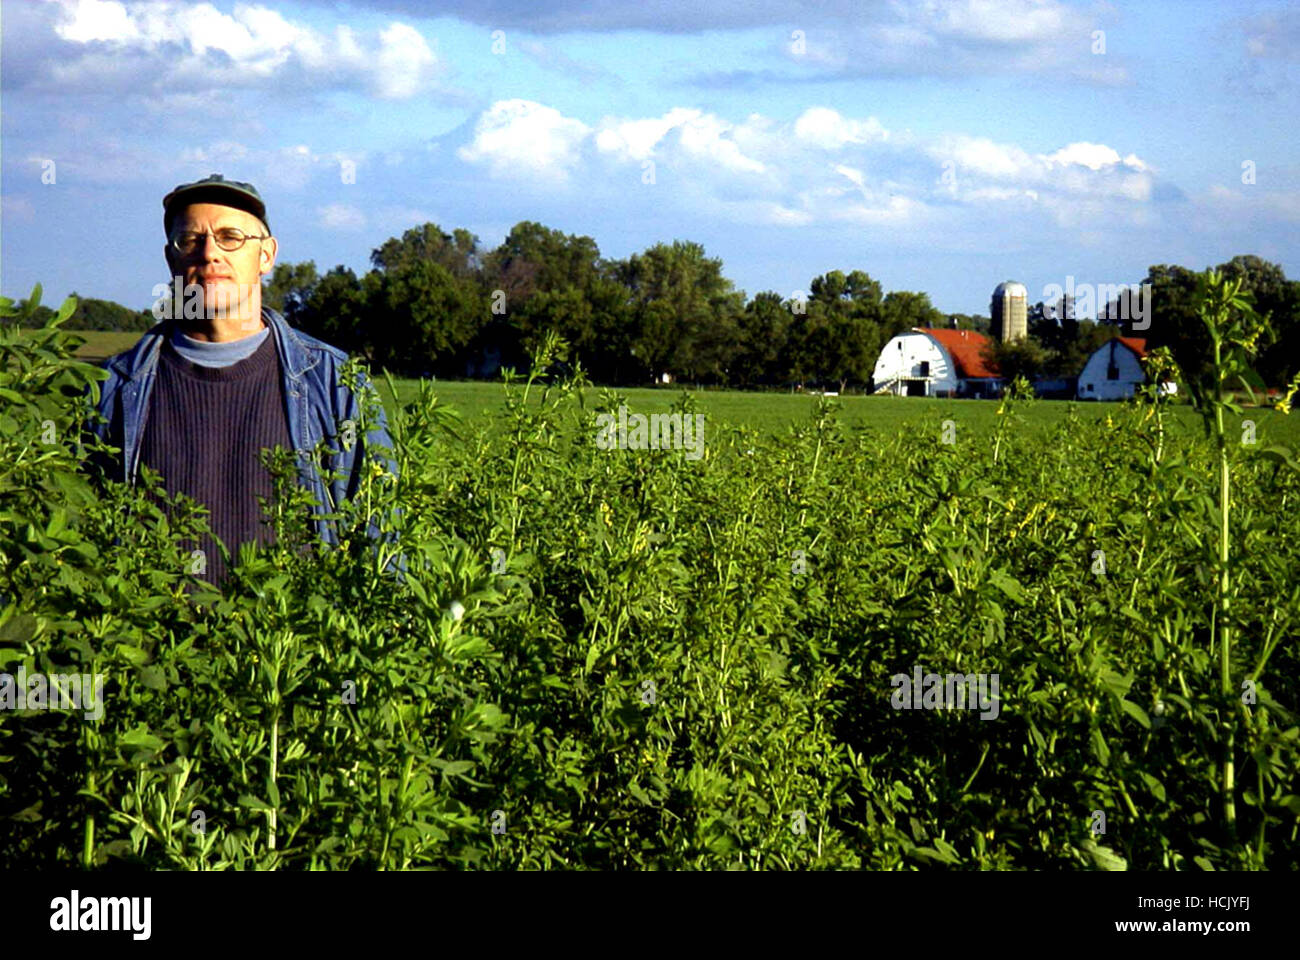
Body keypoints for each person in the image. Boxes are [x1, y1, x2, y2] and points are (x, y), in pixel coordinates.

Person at [83, 174, 399, 588]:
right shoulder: (112, 387)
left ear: (266, 255)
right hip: (153, 646)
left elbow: (380, 532)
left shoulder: (335, 383)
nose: (210, 253)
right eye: (190, 240)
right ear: (170, 258)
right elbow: (81, 536)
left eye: (231, 237)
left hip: (291, 645)